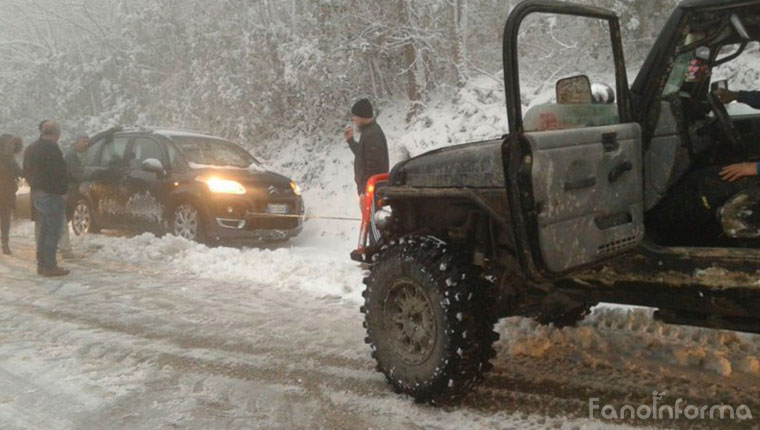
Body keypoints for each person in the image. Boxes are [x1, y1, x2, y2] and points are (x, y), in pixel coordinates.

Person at [23, 121, 70, 277]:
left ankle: (42, 263)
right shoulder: (52, 149)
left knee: (43, 230)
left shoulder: (31, 148)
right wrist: (63, 191)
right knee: (53, 231)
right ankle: (50, 265)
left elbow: (26, 170)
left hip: (38, 193)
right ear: (57, 133)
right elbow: (59, 172)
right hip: (52, 194)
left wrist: (34, 185)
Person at [343, 98, 389, 198]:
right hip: (374, 190)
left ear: (362, 116)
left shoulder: (372, 134)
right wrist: (350, 141)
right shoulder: (370, 132)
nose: (354, 120)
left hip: (374, 192)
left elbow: (373, 166)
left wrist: (365, 190)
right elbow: (362, 155)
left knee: (372, 214)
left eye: (355, 116)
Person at [57, 134, 89, 259]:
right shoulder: (71, 155)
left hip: (71, 187)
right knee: (65, 216)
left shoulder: (77, 154)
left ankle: (59, 245)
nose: (86, 144)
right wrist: (91, 174)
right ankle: (62, 246)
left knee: (66, 216)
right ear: (76, 142)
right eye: (83, 141)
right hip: (70, 188)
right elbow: (76, 174)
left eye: (87, 141)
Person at [0, 134, 23, 255]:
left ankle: (5, 243)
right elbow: (20, 172)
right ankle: (5, 244)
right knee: (5, 218)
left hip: (7, 192)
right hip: (6, 192)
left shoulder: (9, 158)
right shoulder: (8, 158)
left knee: (5, 218)